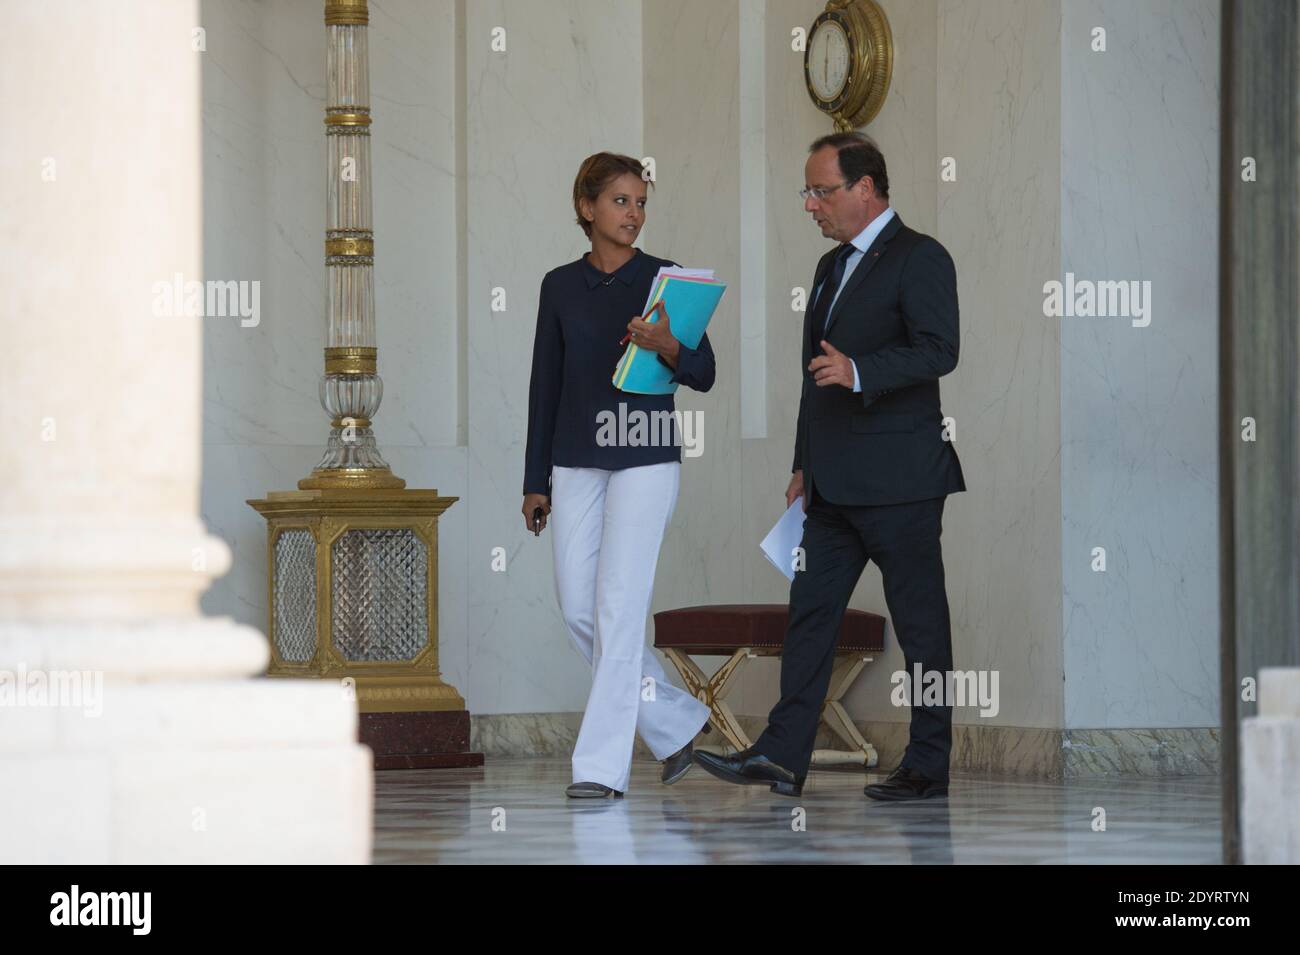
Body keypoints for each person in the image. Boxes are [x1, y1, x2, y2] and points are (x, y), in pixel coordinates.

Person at [694, 132, 966, 801]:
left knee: (922, 625)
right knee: (809, 616)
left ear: (865, 189)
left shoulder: (920, 257)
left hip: (903, 484)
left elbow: (940, 350)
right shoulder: (827, 269)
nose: (811, 205)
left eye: (822, 190)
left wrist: (862, 370)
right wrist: (801, 463)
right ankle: (784, 756)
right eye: (808, 192)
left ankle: (928, 763)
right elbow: (814, 379)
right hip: (831, 487)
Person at [523, 152, 714, 798]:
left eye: (640, 203)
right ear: (587, 207)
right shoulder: (558, 286)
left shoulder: (666, 278)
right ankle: (676, 721)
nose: (633, 213)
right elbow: (543, 385)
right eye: (620, 201)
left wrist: (668, 347)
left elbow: (705, 370)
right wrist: (535, 479)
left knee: (617, 605)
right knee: (580, 607)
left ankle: (600, 769)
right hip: (576, 457)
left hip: (646, 455)